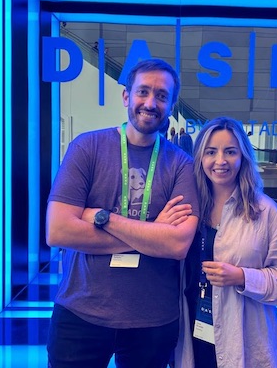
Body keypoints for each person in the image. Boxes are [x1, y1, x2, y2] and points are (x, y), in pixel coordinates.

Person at [46, 58, 200, 368]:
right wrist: (152, 232)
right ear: (126, 96)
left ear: (171, 106)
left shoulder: (181, 164)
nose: (150, 103)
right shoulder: (86, 148)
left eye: (161, 95)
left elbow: (177, 244)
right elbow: (58, 231)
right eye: (143, 92)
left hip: (153, 321)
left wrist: (103, 218)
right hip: (80, 313)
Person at [175, 116, 277, 368]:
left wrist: (242, 277)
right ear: (200, 157)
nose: (220, 161)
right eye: (211, 152)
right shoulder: (188, 208)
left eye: (230, 151)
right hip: (192, 334)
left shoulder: (265, 212)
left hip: (244, 341)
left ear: (243, 156)